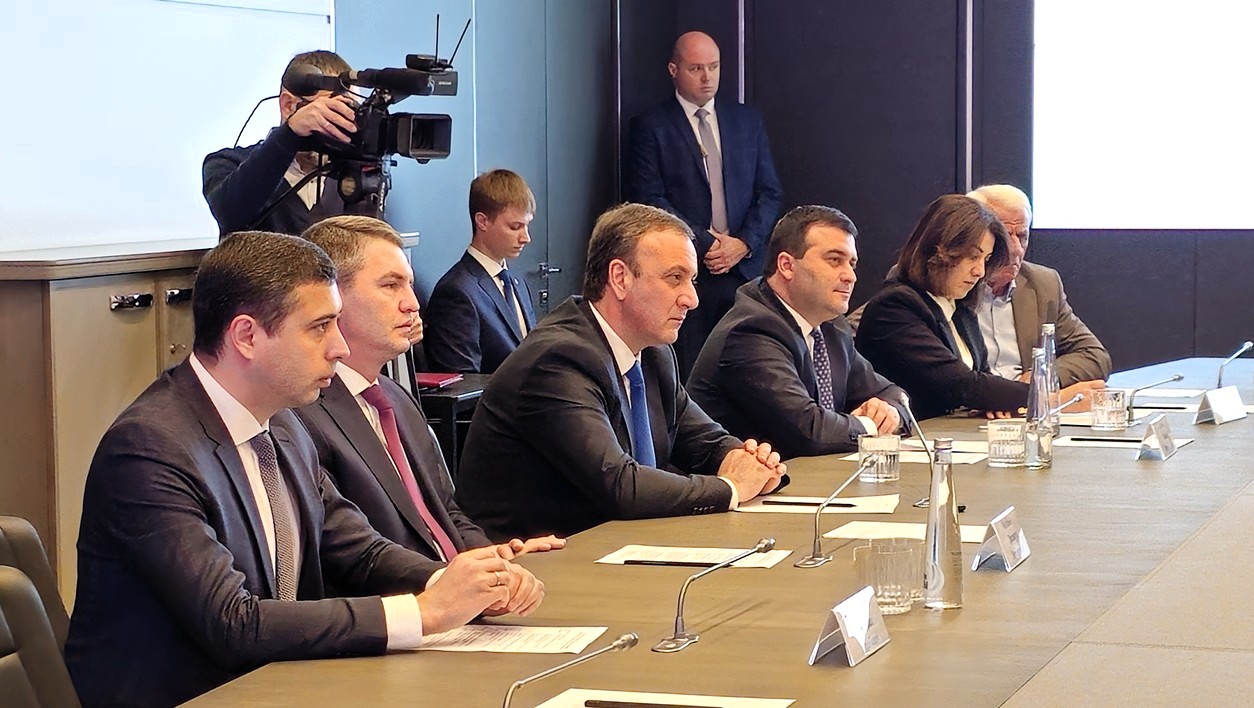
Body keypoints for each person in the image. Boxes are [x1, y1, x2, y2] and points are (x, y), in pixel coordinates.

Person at [65, 232, 543, 707]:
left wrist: (459, 584)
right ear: (247, 336)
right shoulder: (149, 449)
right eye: (320, 327)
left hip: (281, 686)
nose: (339, 347)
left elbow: (359, 551)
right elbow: (234, 622)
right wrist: (423, 613)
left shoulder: (284, 425)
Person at [455, 204, 787, 540]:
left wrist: (744, 460)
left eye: (693, 280)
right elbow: (620, 485)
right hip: (534, 561)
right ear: (620, 278)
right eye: (675, 278)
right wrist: (731, 487)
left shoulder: (655, 354)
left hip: (617, 547)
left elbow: (704, 441)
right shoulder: (558, 360)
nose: (691, 299)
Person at [297, 216, 564, 563]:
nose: (412, 303)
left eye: (409, 285)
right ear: (332, 296)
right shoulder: (304, 414)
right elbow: (352, 557)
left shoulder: (397, 399)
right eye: (391, 285)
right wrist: (456, 577)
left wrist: (494, 558)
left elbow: (447, 512)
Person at [855, 195, 1103, 420]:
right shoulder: (896, 306)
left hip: (956, 435)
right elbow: (961, 384)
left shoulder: (960, 307)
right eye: (973, 257)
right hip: (907, 441)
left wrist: (995, 402)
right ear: (940, 250)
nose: (980, 271)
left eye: (986, 259)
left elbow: (983, 379)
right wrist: (1053, 400)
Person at [624, 30, 784, 380]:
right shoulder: (651, 126)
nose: (707, 77)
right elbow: (649, 199)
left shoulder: (746, 121)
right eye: (696, 68)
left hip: (743, 270)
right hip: (688, 271)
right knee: (692, 373)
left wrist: (743, 243)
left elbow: (769, 192)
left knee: (750, 371)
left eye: (714, 67)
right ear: (673, 70)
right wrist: (706, 242)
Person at [688, 206, 907, 458]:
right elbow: (810, 433)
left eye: (852, 263)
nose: (850, 276)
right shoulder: (751, 331)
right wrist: (871, 426)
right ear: (787, 265)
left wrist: (889, 413)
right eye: (834, 260)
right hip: (753, 481)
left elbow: (893, 394)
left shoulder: (831, 326)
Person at [203, 50, 376, 237]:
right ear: (288, 105)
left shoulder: (353, 174)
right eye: (332, 110)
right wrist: (290, 133)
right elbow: (231, 213)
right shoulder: (226, 163)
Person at [968, 184, 1112, 386]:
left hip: (1028, 400)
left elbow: (1094, 356)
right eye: (1004, 236)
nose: (1016, 250)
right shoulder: (954, 286)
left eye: (1022, 236)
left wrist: (1041, 376)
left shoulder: (1042, 284)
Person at [423, 169, 539, 373]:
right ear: (482, 221)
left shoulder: (517, 282)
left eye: (527, 226)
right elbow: (463, 380)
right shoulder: (456, 292)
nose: (526, 238)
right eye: (515, 227)